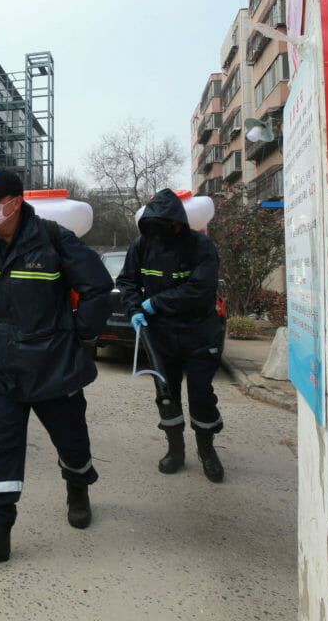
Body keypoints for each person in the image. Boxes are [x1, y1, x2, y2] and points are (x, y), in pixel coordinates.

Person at [0, 169, 113, 562]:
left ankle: (77, 486)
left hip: (54, 367)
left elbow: (99, 288)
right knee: (0, 447)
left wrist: (79, 333)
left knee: (71, 442)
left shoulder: (54, 239)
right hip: (4, 369)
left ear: (16, 202)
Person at [114, 188, 225, 483]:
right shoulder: (142, 245)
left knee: (201, 395)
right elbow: (127, 281)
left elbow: (201, 289)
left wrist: (156, 302)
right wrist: (134, 308)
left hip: (198, 333)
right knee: (166, 397)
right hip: (160, 336)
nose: (161, 231)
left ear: (178, 222)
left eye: (167, 225)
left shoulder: (200, 246)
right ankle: (175, 450)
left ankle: (207, 451)